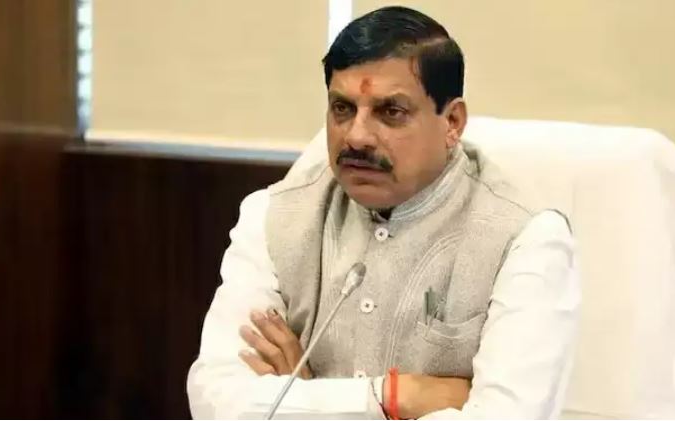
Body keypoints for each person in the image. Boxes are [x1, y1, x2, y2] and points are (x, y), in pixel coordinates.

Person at [187, 6, 580, 419]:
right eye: (342, 108)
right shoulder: (273, 216)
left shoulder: (525, 239)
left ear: (452, 122)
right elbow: (215, 401)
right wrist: (392, 397)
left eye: (390, 112)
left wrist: (304, 400)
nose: (356, 136)